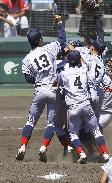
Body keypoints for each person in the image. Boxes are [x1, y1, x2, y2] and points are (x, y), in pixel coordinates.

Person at [16, 15, 66, 162]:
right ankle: (43, 147)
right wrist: (60, 24)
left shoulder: (26, 59)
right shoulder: (49, 49)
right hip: (52, 90)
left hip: (39, 90)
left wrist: (38, 80)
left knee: (31, 121)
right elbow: (62, 40)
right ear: (39, 40)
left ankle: (22, 147)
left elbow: (27, 78)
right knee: (51, 123)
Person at [57, 50, 110, 164]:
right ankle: (105, 153)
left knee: (72, 133)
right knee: (96, 131)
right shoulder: (84, 70)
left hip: (73, 107)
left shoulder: (63, 73)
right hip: (86, 105)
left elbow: (58, 87)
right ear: (79, 60)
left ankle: (81, 153)